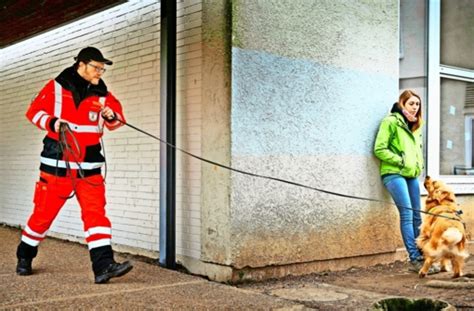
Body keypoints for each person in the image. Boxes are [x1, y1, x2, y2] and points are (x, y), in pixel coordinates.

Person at [16, 47, 133, 284]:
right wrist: (52, 122)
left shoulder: (102, 93)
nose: (100, 72)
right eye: (96, 67)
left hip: (89, 167)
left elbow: (118, 120)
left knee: (96, 214)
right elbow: (33, 112)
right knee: (42, 216)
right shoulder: (55, 87)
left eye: (102, 68)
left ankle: (103, 266)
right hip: (56, 165)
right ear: (81, 64)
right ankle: (24, 256)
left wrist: (110, 115)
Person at [374, 89, 438, 274]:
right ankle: (414, 258)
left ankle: (423, 256)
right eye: (411, 103)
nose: (415, 107)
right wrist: (400, 160)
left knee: (418, 216)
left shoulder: (415, 125)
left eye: (417, 104)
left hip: (411, 175)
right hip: (394, 174)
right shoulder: (391, 122)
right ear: (402, 103)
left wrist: (417, 167)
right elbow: (379, 148)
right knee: (408, 215)